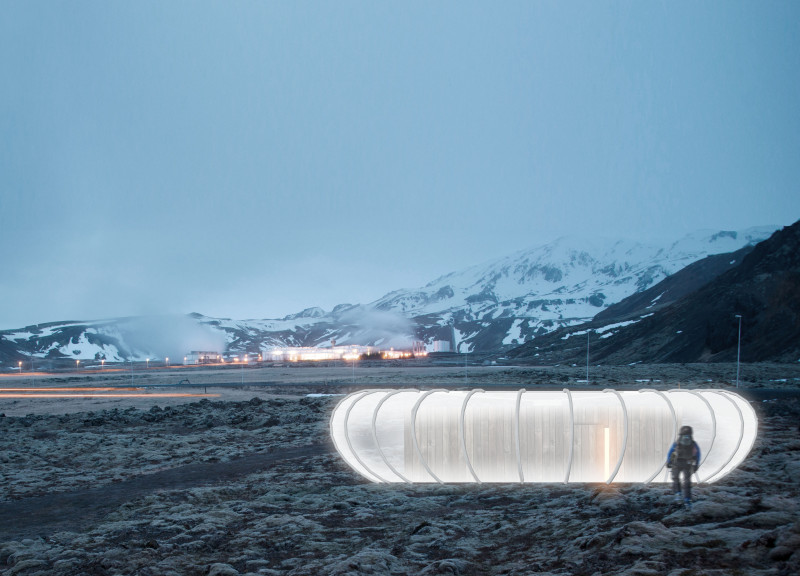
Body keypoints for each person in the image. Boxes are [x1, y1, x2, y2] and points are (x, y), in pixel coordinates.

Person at [666, 425, 701, 507]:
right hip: (688, 464)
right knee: (687, 481)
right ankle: (687, 500)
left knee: (675, 478)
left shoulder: (677, 443)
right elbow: (698, 454)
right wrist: (696, 465)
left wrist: (669, 462)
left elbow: (670, 452)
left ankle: (678, 494)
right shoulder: (693, 443)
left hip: (676, 463)